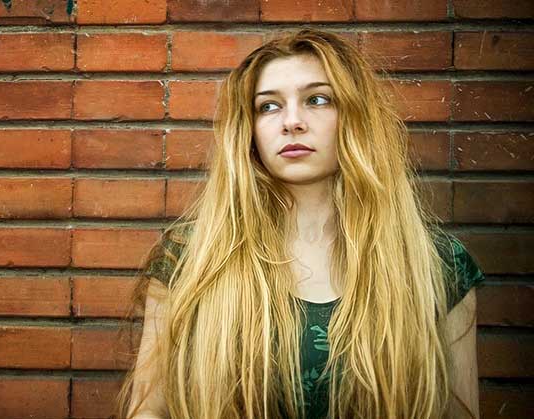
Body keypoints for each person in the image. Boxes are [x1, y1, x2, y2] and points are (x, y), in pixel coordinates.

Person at [112, 29, 485, 419]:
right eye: (268, 107)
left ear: (355, 117)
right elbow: (148, 411)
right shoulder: (188, 257)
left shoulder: (438, 266)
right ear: (250, 130)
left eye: (317, 100)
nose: (292, 122)